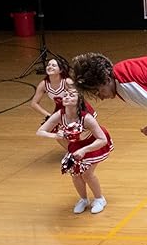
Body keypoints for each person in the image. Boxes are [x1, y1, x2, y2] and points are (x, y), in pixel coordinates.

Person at [36, 80, 113, 214]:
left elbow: (102, 140)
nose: (67, 97)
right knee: (75, 174)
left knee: (87, 174)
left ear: (79, 101)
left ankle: (100, 199)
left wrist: (84, 150)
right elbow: (40, 131)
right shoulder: (59, 115)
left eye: (72, 95)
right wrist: (56, 135)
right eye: (65, 95)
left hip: (93, 143)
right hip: (76, 145)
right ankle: (83, 199)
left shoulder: (87, 118)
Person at [30, 56, 79, 149]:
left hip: (74, 108)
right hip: (60, 111)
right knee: (57, 131)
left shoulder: (67, 82)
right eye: (48, 65)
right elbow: (34, 103)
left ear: (61, 70)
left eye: (53, 65)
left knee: (77, 131)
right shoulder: (44, 84)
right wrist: (49, 115)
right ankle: (71, 151)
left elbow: (78, 98)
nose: (50, 67)